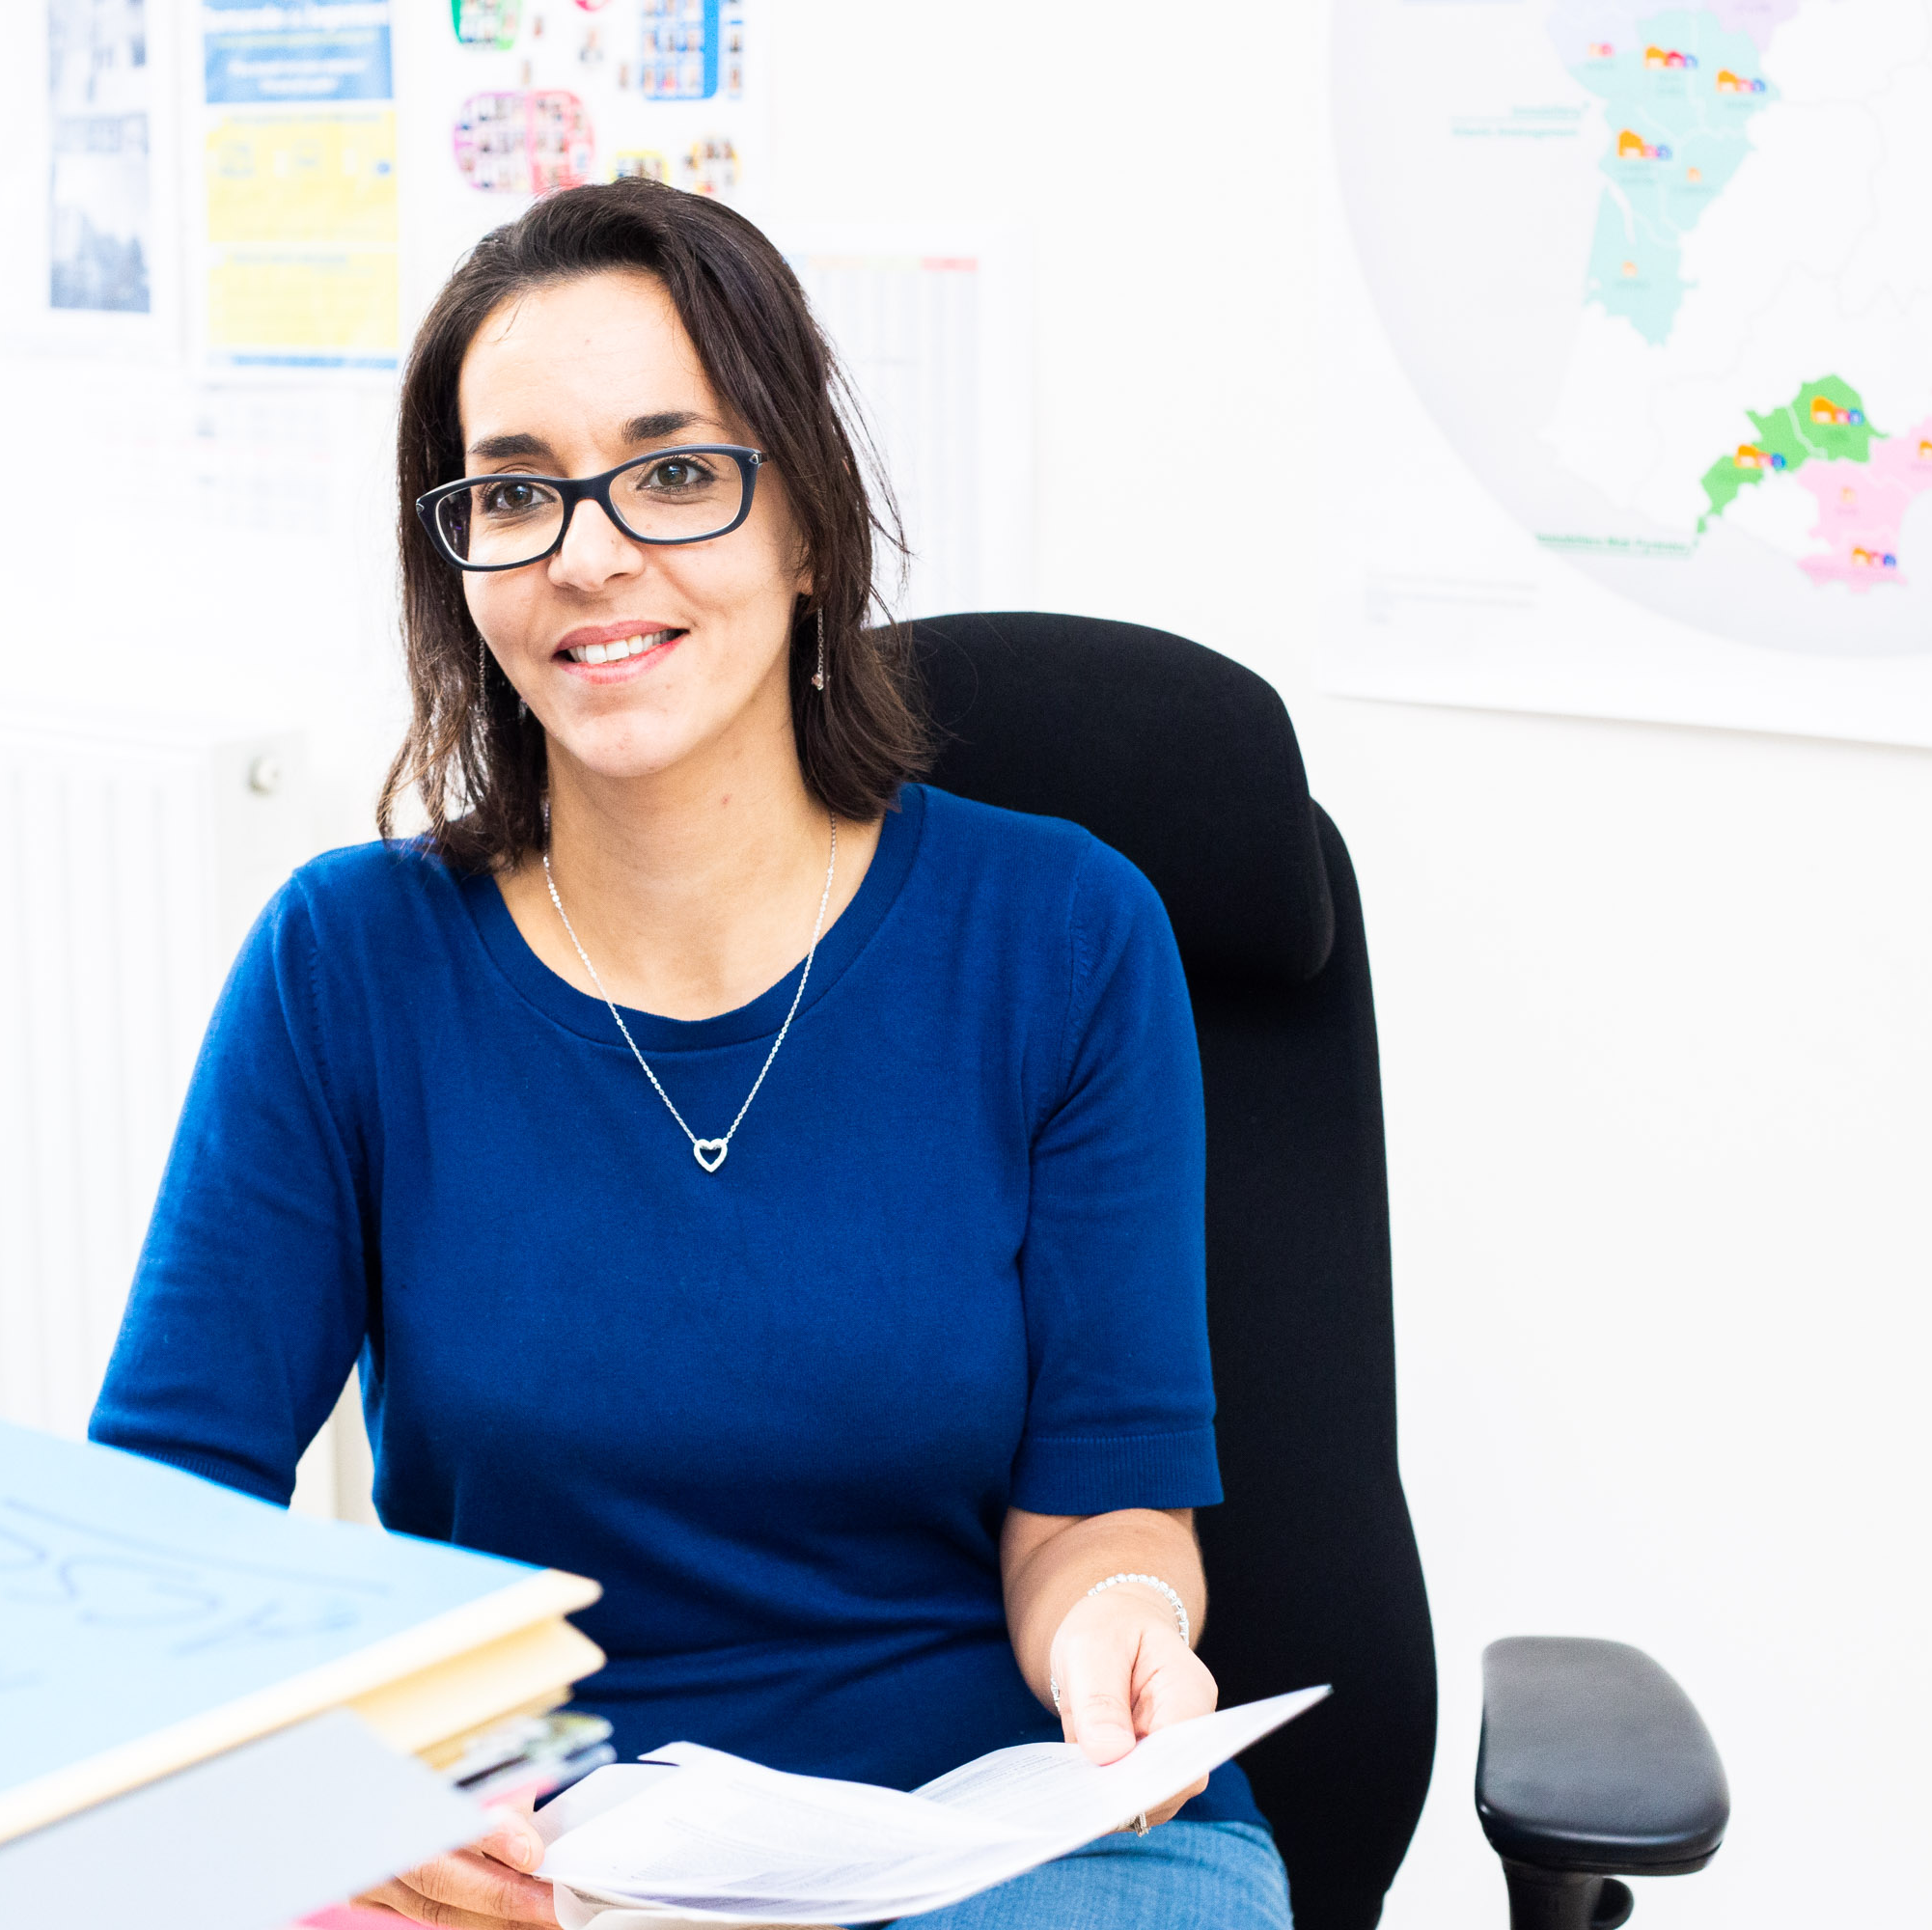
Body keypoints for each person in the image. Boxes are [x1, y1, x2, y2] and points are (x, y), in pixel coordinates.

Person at [90, 179, 1289, 1929]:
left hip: (989, 1832)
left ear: (807, 521)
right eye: (515, 490)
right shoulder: (348, 963)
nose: (587, 552)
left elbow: (1099, 1519)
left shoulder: (1061, 938)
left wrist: (1122, 1626)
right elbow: (163, 1531)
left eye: (672, 469)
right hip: (518, 1857)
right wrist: (332, 1775)